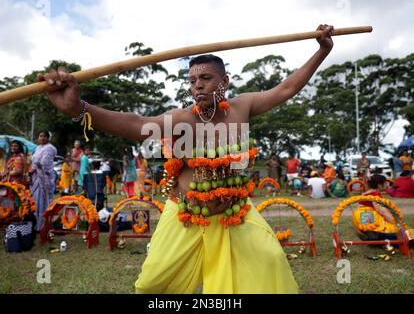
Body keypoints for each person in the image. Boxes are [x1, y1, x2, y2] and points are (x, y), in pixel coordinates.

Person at [38, 24, 335, 294]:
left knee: (270, 260)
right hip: (186, 216)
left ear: (225, 81)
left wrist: (322, 50)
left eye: (206, 78)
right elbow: (134, 124)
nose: (197, 86)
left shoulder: (243, 107)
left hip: (235, 214)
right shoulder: (182, 120)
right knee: (154, 284)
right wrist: (78, 108)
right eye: (192, 80)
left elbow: (287, 88)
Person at [29, 131, 57, 231]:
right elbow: (34, 163)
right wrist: (31, 171)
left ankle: (43, 225)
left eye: (45, 136)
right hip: (36, 176)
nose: (42, 138)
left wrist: (37, 165)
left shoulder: (49, 148)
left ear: (48, 138)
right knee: (35, 200)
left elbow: (45, 164)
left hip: (45, 178)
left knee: (43, 200)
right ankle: (35, 224)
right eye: (40, 136)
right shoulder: (37, 148)